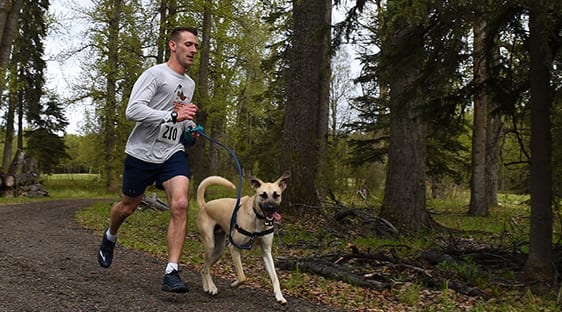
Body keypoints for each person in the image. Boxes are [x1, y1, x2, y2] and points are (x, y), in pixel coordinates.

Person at [97, 26, 200, 293]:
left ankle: (172, 271)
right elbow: (133, 110)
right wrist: (172, 117)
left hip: (171, 152)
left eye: (196, 46)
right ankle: (110, 236)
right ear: (173, 46)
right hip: (141, 153)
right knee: (128, 206)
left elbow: (180, 115)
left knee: (180, 203)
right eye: (188, 44)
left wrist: (189, 128)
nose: (193, 50)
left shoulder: (189, 85)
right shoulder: (154, 74)